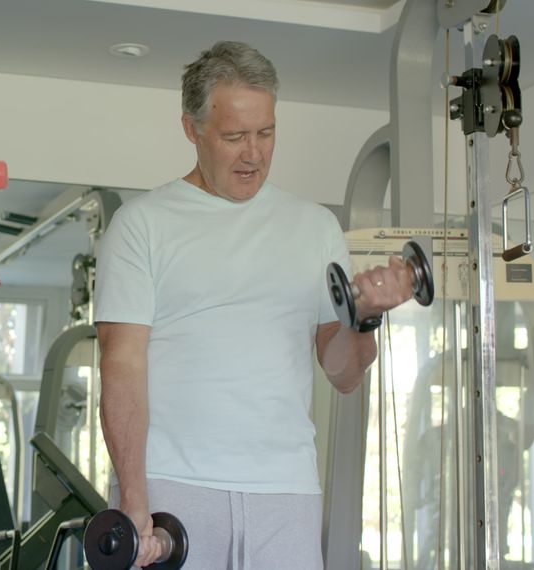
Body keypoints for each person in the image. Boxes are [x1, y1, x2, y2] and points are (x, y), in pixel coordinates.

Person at [94, 41, 416, 569]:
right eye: (234, 136)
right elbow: (121, 366)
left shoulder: (315, 227)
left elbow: (343, 373)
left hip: (285, 492)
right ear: (191, 129)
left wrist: (364, 319)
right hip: (173, 486)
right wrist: (134, 502)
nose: (253, 153)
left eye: (266, 133)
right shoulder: (142, 224)